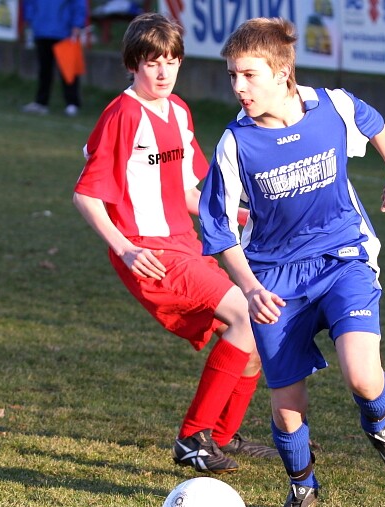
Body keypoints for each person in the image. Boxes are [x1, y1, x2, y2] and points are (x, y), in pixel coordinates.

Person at [198, 18, 385, 507]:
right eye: (232, 75)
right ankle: (303, 485)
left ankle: (380, 425)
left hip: (342, 258)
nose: (238, 87)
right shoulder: (236, 143)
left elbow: (371, 120)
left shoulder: (332, 107)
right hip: (274, 281)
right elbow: (218, 229)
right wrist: (250, 289)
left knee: (363, 377)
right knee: (287, 406)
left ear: (282, 72)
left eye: (249, 75)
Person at [72, 13, 278, 474]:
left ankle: (220, 437)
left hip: (185, 244)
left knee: (254, 332)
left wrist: (246, 216)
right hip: (149, 251)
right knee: (246, 315)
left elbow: (187, 191)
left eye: (171, 61)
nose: (163, 72)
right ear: (133, 64)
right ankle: (192, 438)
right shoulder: (123, 114)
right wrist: (125, 248)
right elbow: (85, 194)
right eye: (152, 63)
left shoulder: (178, 110)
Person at [22, 0, 86, 117]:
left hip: (64, 31)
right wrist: (30, 19)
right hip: (41, 30)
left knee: (68, 70)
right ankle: (41, 102)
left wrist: (77, 23)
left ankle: (72, 103)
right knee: (44, 70)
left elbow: (78, 3)